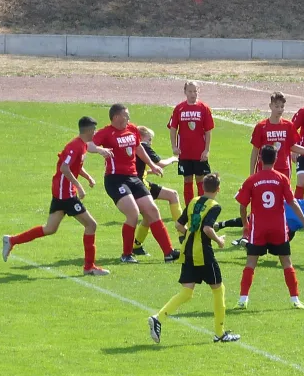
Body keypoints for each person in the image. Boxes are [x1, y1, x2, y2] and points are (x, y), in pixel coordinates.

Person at [2, 116, 110, 275]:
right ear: (88, 130)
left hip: (62, 192)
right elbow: (65, 168)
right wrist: (79, 186)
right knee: (91, 225)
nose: (95, 132)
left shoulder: (82, 145)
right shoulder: (75, 146)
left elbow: (75, 166)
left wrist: (88, 178)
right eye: (94, 129)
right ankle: (89, 267)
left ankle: (11, 240)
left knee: (50, 229)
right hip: (65, 194)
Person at [148, 173, 240, 344]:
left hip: (187, 250)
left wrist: (190, 234)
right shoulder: (215, 206)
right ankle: (220, 333)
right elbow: (207, 229)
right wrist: (219, 241)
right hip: (203, 253)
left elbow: (178, 225)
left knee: (187, 292)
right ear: (218, 189)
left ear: (203, 187)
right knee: (218, 289)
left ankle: (158, 318)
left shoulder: (193, 201)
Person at [89, 103, 179, 264]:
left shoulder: (132, 128)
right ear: (116, 117)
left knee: (152, 210)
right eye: (126, 115)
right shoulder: (106, 132)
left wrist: (152, 165)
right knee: (133, 213)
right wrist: (99, 150)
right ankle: (126, 254)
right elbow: (89, 144)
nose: (129, 118)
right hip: (115, 179)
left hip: (133, 178)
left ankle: (169, 252)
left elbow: (138, 148)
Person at [235, 145, 304, 310]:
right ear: (276, 159)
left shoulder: (252, 180)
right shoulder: (282, 179)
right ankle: (295, 300)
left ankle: (243, 299)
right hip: (278, 228)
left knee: (250, 263)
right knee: (286, 262)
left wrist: (245, 225)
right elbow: (292, 202)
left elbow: (242, 206)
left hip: (259, 229)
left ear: (260, 159)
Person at [216, 194, 304, 269]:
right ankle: (246, 243)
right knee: (276, 248)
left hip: (290, 210)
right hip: (289, 217)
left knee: (256, 220)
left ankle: (223, 226)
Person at [250, 92, 304, 180]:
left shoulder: (288, 125)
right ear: (270, 106)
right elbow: (255, 151)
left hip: (284, 169)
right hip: (264, 169)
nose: (279, 110)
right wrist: (251, 175)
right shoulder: (261, 126)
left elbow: (293, 147)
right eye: (276, 106)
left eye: (282, 107)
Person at [132, 126, 183, 256]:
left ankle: (136, 246)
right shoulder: (142, 145)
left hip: (136, 182)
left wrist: (149, 171)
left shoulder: (132, 146)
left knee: (149, 216)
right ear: (142, 137)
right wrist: (173, 159)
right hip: (140, 185)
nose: (150, 142)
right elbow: (160, 163)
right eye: (150, 139)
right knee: (172, 195)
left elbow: (137, 167)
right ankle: (182, 231)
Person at [168, 81, 215, 206]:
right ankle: (189, 207)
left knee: (200, 179)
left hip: (199, 152)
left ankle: (200, 206)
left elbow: (208, 131)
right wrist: (174, 146)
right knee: (187, 179)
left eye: (195, 91)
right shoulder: (179, 108)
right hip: (184, 152)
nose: (193, 94)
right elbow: (173, 129)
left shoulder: (204, 108)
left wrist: (206, 150)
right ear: (185, 92)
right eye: (190, 91)